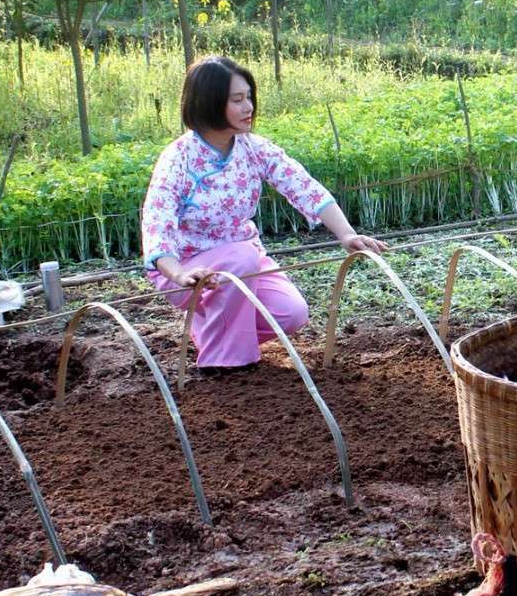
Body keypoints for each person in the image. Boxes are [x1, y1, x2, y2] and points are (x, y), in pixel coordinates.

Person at [142, 56, 386, 368]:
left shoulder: (252, 148)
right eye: (237, 100)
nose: (249, 108)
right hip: (185, 269)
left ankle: (216, 332)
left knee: (291, 312)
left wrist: (347, 234)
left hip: (242, 261)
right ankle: (222, 364)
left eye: (249, 98)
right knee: (240, 258)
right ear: (209, 103)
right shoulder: (178, 158)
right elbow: (156, 223)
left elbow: (302, 185)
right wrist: (177, 273)